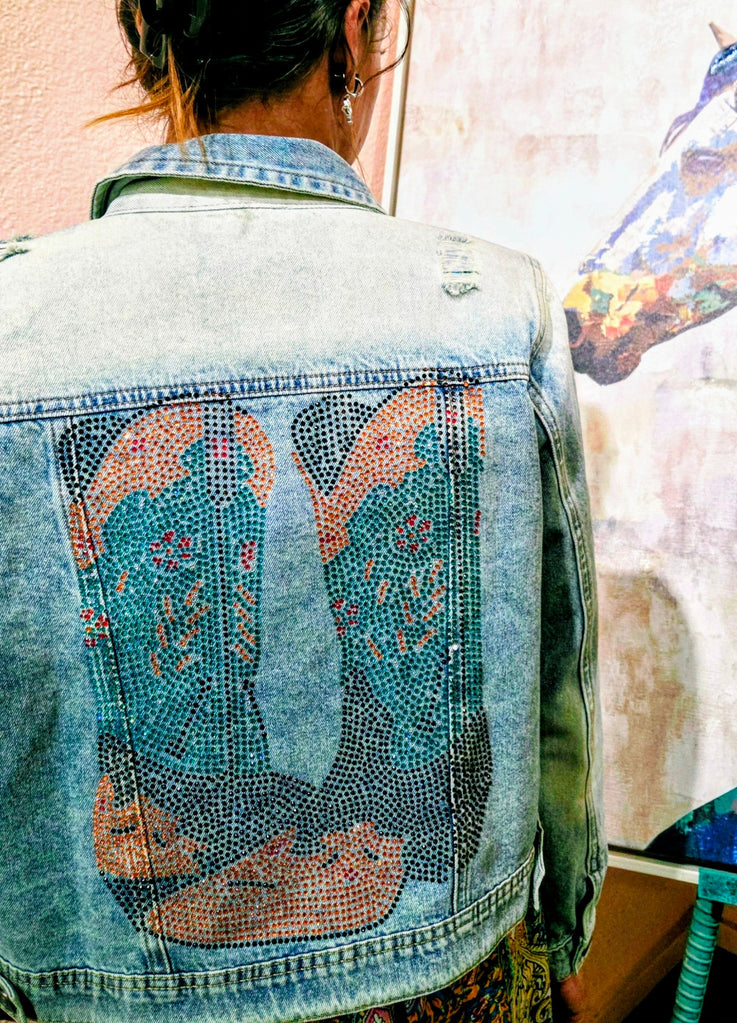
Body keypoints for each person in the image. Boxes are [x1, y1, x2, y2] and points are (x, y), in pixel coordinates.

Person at [0, 2, 604, 1021]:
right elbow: (560, 674)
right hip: (445, 975)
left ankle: (209, 795)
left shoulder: (16, 320)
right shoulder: (492, 304)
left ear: (151, 31)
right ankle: (367, 785)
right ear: (358, 28)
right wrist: (566, 916)